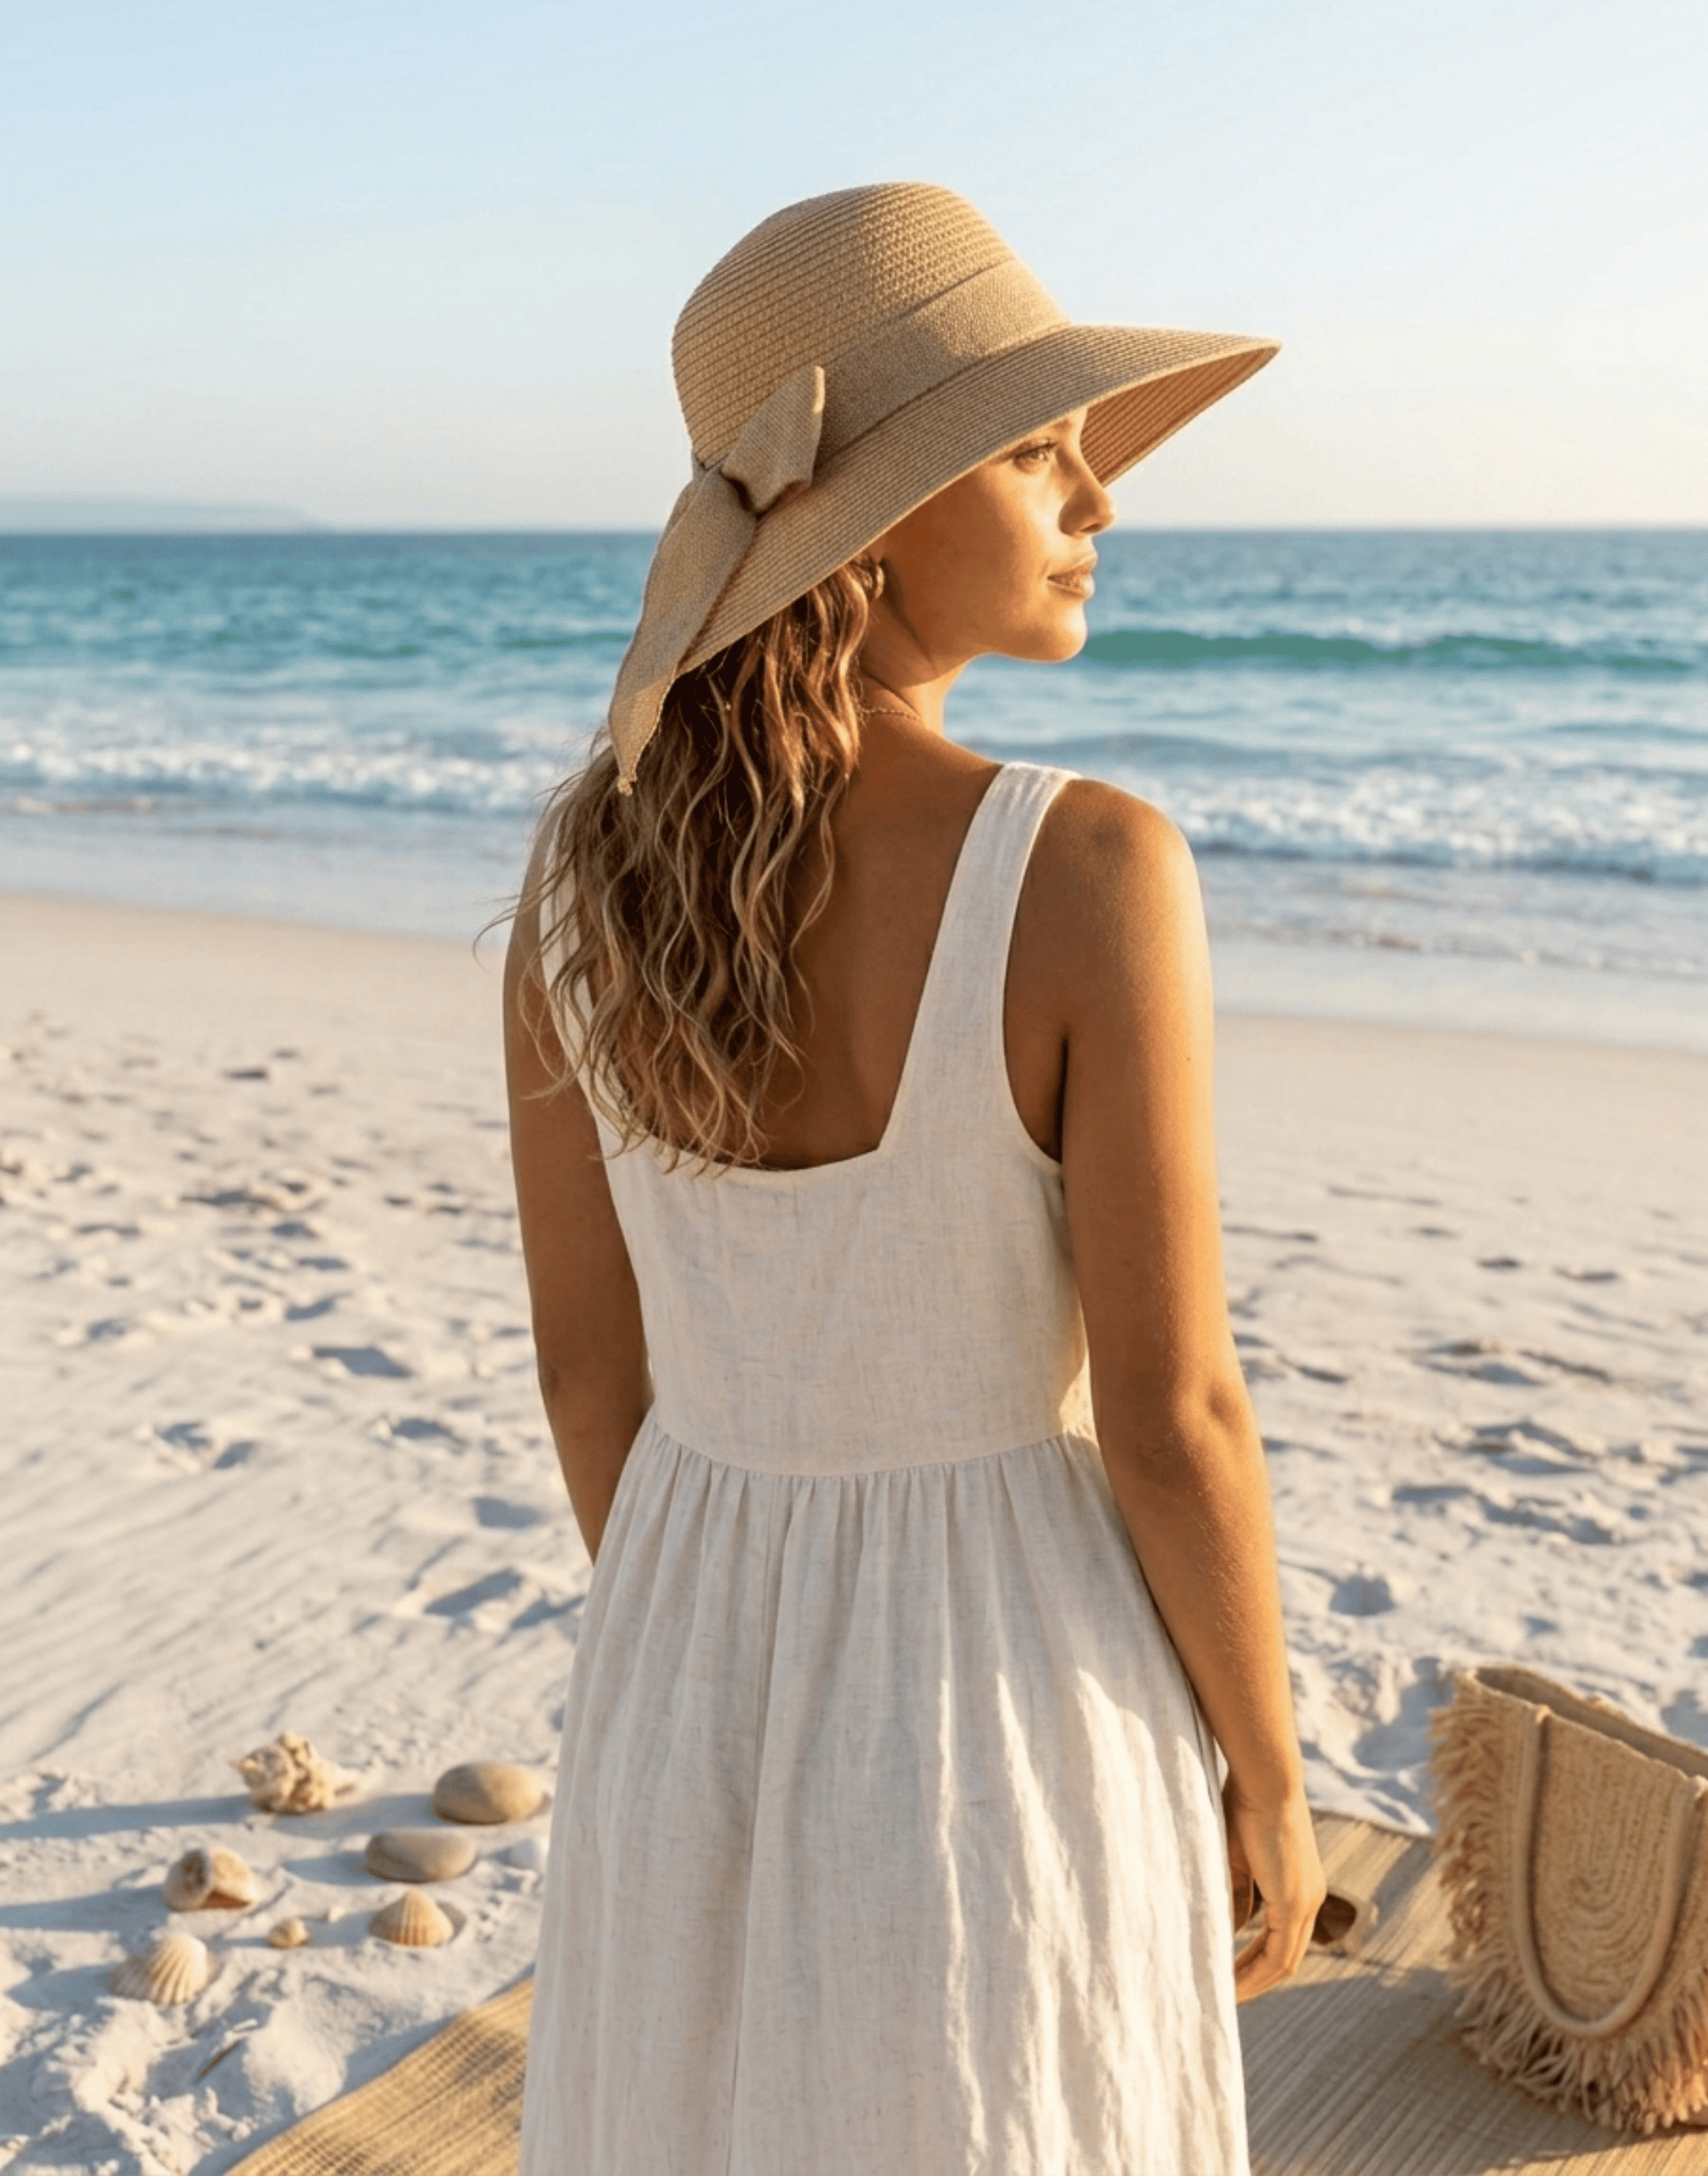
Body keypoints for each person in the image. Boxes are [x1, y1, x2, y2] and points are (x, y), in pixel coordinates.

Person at [507, 182, 1325, 2174]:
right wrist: (1273, 1780)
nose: (1095, 496)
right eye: (1034, 448)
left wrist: (737, 1651)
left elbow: (590, 1385)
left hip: (680, 1655)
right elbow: (1172, 1416)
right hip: (1003, 1686)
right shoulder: (1089, 870)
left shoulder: (580, 891)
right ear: (868, 525)